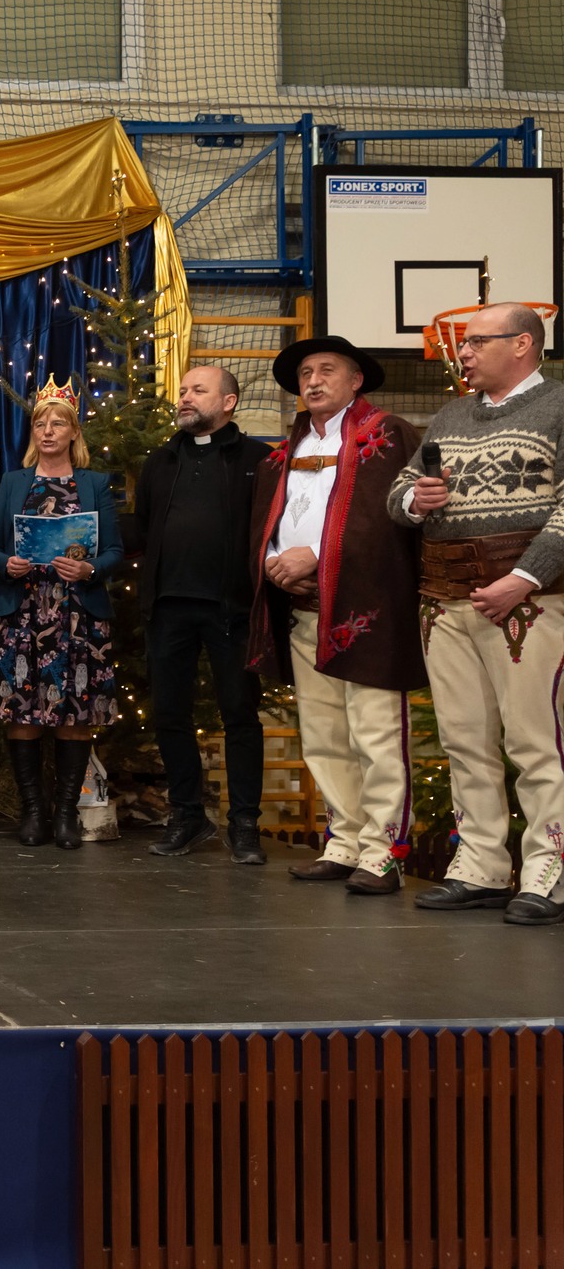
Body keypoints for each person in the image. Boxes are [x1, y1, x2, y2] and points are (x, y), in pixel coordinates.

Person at [392, 302, 564, 925]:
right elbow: (398, 492)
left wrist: (523, 579)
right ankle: (482, 866)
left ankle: (550, 870)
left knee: (535, 741)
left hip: (528, 602)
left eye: (475, 342)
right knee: (464, 740)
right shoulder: (451, 414)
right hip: (444, 600)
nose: (462, 353)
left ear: (523, 344)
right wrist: (416, 498)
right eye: (463, 344)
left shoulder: (559, 407)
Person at [247, 337, 424, 895]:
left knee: (376, 735)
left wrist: (319, 558)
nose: (314, 381)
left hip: (368, 612)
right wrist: (274, 561)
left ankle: (384, 852)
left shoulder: (387, 437)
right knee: (324, 736)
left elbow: (389, 525)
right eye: (306, 373)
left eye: (327, 370)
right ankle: (344, 842)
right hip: (304, 612)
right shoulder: (286, 449)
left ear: (356, 381)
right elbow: (268, 521)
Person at [127, 364, 267, 860]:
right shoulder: (161, 460)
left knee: (240, 715)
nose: (185, 397)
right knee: (170, 714)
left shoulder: (258, 459)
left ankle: (245, 824)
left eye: (198, 390)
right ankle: (187, 816)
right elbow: (141, 527)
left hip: (233, 610)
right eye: (183, 390)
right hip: (168, 606)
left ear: (228, 402)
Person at [0, 377, 124, 850]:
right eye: (40, 424)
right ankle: (34, 813)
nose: (47, 431)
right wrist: (7, 564)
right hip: (21, 613)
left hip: (78, 614)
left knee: (75, 715)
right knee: (21, 711)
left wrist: (89, 569)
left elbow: (115, 551)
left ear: (74, 432)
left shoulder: (95, 484)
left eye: (57, 423)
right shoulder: (14, 482)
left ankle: (65, 814)